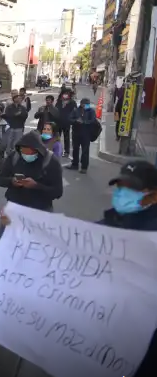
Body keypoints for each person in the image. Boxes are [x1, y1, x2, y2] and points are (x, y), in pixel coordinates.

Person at [96, 161, 157, 377]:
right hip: (102, 337)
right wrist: (20, 225)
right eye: (120, 187)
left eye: (132, 188)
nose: (123, 193)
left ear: (153, 195)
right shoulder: (108, 223)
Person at [0, 131, 63, 240]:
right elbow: (0, 179)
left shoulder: (51, 162)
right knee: (4, 242)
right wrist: (11, 181)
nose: (26, 155)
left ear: (38, 150)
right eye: (23, 151)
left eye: (30, 152)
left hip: (40, 211)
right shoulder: (14, 157)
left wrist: (36, 186)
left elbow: (58, 192)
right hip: (15, 209)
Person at [68, 97, 97, 174]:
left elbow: (93, 120)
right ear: (81, 104)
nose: (87, 105)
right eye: (85, 104)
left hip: (86, 133)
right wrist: (76, 121)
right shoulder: (76, 110)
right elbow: (70, 119)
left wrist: (84, 122)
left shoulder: (91, 111)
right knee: (75, 149)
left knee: (85, 150)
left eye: (88, 104)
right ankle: (75, 164)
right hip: (76, 133)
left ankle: (84, 167)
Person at [55, 88, 77, 157]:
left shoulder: (72, 102)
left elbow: (75, 112)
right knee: (57, 137)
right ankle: (57, 150)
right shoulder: (59, 101)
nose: (66, 95)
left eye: (67, 93)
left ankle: (66, 152)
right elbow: (55, 110)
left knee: (66, 138)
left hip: (66, 123)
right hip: (58, 122)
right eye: (65, 93)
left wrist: (71, 120)